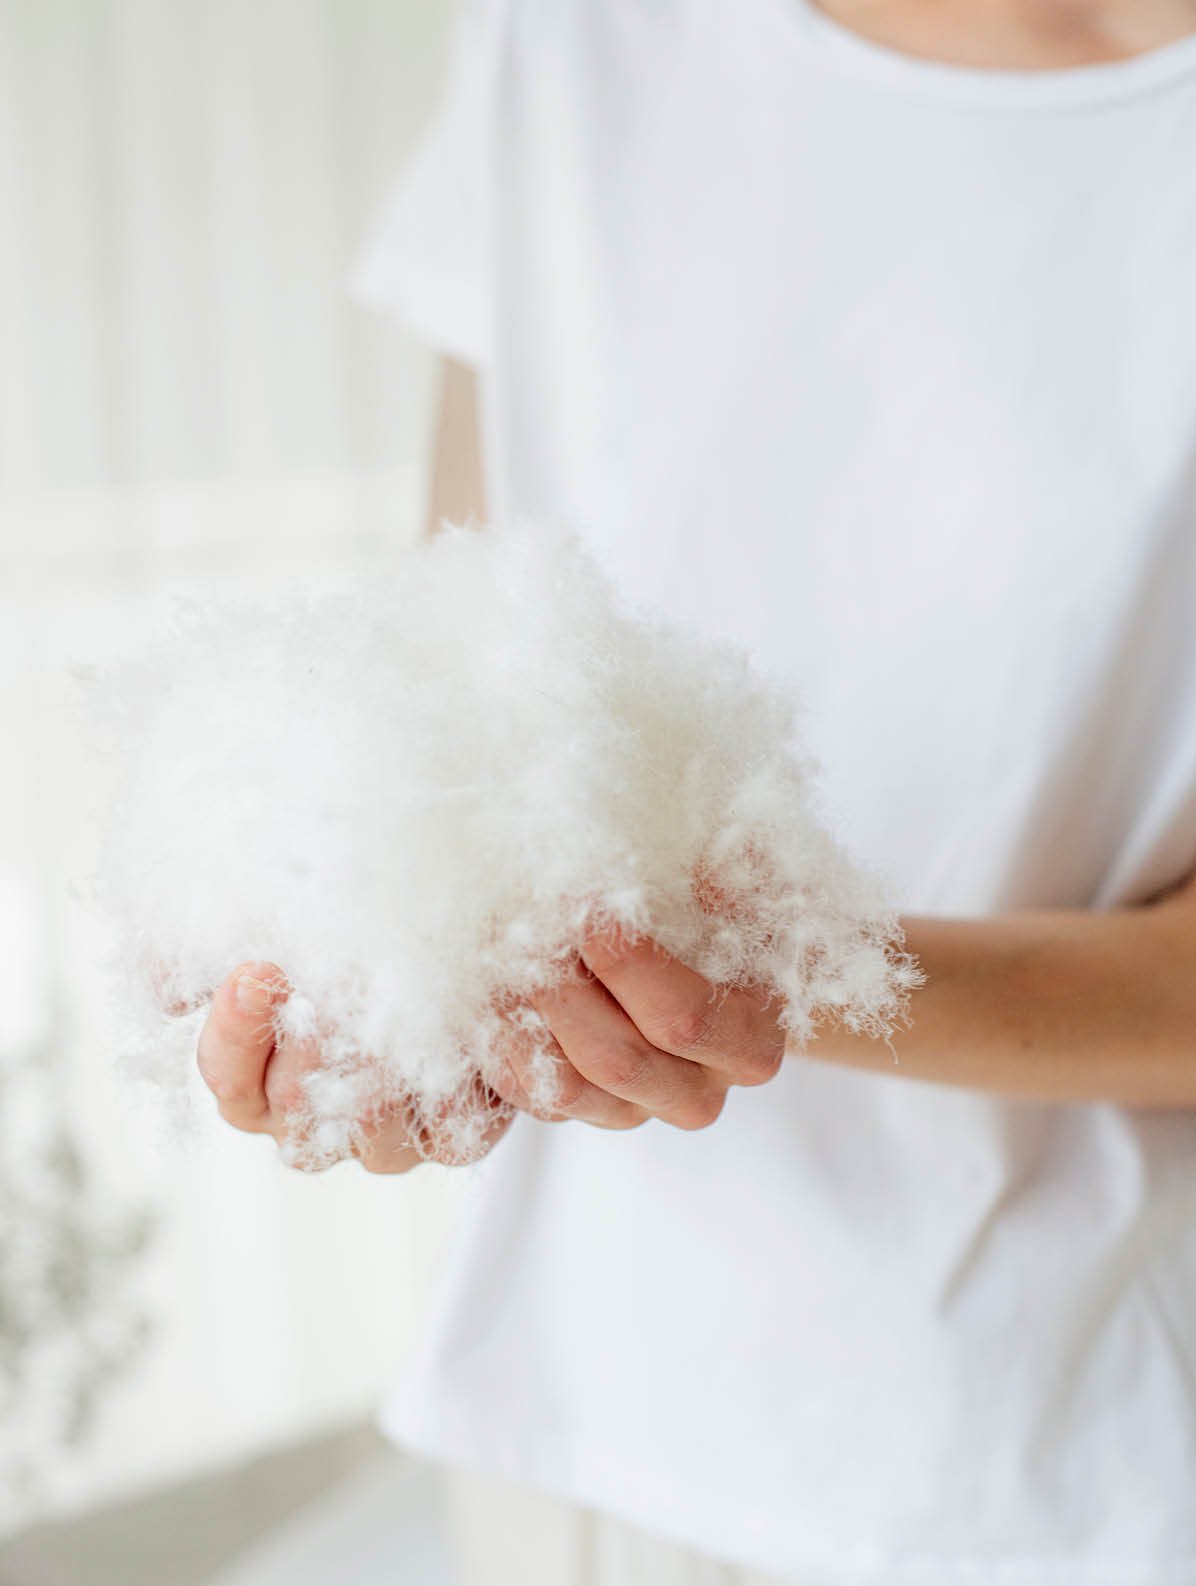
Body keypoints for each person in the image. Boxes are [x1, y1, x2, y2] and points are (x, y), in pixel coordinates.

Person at [195, 2, 1196, 1582]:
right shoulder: (571, 43)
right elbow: (459, 652)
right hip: (586, 1428)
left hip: (1072, 1450)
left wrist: (773, 969)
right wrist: (412, 989)